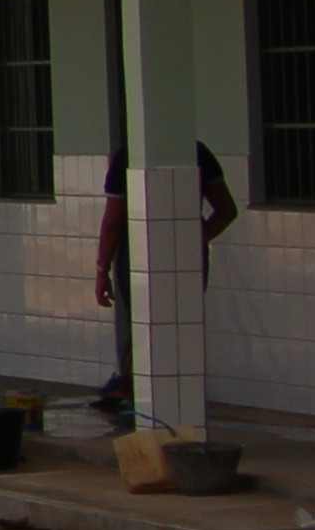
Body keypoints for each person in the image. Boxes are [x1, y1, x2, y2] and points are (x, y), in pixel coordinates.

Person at [89, 143, 242, 419]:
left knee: (145, 325)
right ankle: (173, 399)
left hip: (139, 252)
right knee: (180, 327)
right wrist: (196, 239)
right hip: (188, 255)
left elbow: (113, 220)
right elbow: (227, 210)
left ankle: (139, 397)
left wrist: (102, 271)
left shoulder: (128, 156)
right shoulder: (197, 153)